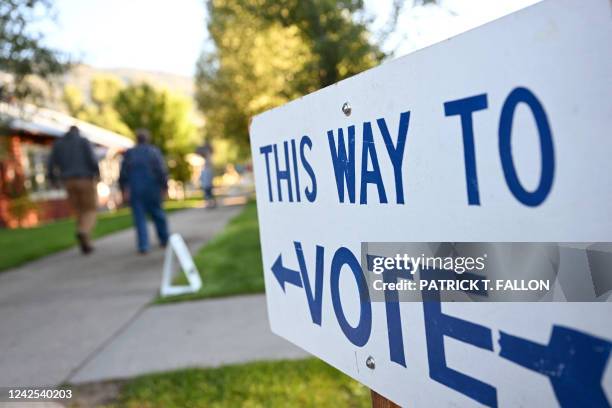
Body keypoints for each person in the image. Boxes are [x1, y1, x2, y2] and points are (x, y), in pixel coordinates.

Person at [48, 126, 99, 254]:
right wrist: (97, 173)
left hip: (68, 181)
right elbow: (92, 159)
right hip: (85, 179)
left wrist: (53, 180)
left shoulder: (58, 144)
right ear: (78, 132)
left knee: (79, 211)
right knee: (90, 209)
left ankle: (86, 243)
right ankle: (84, 232)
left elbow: (51, 163)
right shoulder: (83, 141)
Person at [119, 129, 169, 254]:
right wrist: (164, 186)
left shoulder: (130, 153)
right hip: (152, 187)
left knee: (139, 218)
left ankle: (143, 245)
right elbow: (161, 171)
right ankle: (164, 239)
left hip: (136, 188)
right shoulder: (153, 151)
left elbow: (123, 174)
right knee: (158, 213)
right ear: (147, 139)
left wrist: (124, 189)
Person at [199, 142, 216, 208]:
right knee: (208, 192)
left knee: (208, 191)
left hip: (207, 176)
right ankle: (210, 203)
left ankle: (210, 203)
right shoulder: (206, 158)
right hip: (206, 176)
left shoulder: (208, 158)